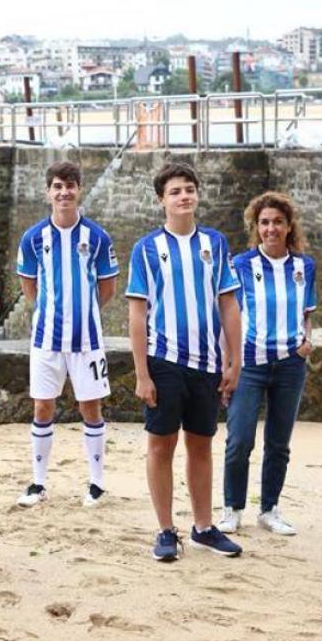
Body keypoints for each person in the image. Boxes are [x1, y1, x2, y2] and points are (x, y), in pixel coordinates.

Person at [125, 161, 242, 561]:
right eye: (175, 191)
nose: (183, 196)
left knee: (202, 444)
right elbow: (137, 314)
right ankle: (164, 530)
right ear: (162, 200)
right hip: (164, 360)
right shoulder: (146, 249)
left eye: (189, 189)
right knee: (161, 445)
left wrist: (234, 361)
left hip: (207, 362)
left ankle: (204, 527)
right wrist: (141, 373)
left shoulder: (215, 244)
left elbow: (228, 302)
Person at [14, 161, 119, 508]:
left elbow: (108, 287)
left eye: (70, 185)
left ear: (79, 189)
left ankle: (96, 483)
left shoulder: (98, 237)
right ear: (48, 192)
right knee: (43, 406)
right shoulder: (33, 238)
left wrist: (83, 312)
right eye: (58, 186)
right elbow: (28, 284)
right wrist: (49, 309)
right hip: (46, 340)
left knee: (90, 406)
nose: (64, 192)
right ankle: (38, 483)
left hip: (87, 341)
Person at [217, 192, 316, 537]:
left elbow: (307, 312)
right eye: (264, 223)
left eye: (277, 222)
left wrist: (306, 343)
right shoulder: (240, 265)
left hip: (290, 365)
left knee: (279, 441)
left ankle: (270, 508)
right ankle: (232, 508)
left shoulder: (305, 267)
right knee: (240, 438)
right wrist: (228, 364)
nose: (271, 228)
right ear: (256, 227)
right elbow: (228, 315)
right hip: (250, 364)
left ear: (289, 226)